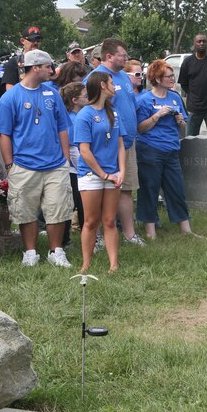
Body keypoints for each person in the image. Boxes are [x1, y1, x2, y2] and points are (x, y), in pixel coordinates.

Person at [0, 49, 74, 268]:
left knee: (57, 209)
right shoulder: (10, 97)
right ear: (35, 68)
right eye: (48, 66)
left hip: (55, 163)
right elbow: (4, 133)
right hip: (24, 164)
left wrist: (66, 158)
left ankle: (56, 251)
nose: (52, 70)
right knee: (25, 210)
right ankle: (30, 252)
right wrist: (10, 164)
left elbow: (62, 127)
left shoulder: (52, 93)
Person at [88, 40, 146, 246]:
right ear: (109, 56)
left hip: (127, 143)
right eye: (122, 55)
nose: (126, 58)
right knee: (103, 191)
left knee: (126, 188)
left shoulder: (123, 76)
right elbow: (91, 110)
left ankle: (129, 235)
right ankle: (99, 237)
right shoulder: (96, 78)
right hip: (108, 144)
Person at [135, 60, 198, 238]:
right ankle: (150, 232)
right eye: (168, 76)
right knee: (150, 189)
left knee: (176, 189)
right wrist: (157, 115)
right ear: (157, 78)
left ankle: (186, 230)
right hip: (150, 150)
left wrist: (180, 121)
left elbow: (184, 123)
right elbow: (140, 128)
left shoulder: (175, 97)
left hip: (171, 150)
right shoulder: (144, 100)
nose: (173, 79)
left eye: (173, 75)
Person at [74, 72, 125, 272]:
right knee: (91, 221)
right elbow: (84, 151)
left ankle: (114, 265)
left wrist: (121, 171)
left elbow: (120, 144)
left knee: (110, 220)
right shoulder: (84, 115)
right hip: (91, 175)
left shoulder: (114, 112)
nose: (114, 86)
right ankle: (86, 264)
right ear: (103, 85)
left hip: (113, 174)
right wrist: (103, 174)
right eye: (112, 83)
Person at [60, 81, 88, 251]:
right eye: (85, 96)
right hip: (74, 169)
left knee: (83, 205)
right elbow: (72, 147)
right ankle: (65, 239)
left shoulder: (81, 115)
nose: (89, 98)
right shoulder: (70, 119)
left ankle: (90, 236)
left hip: (80, 168)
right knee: (70, 204)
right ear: (75, 99)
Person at [2, 26, 43, 92]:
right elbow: (10, 91)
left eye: (38, 41)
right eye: (32, 40)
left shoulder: (46, 63)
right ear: (22, 41)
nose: (35, 43)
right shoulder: (14, 62)